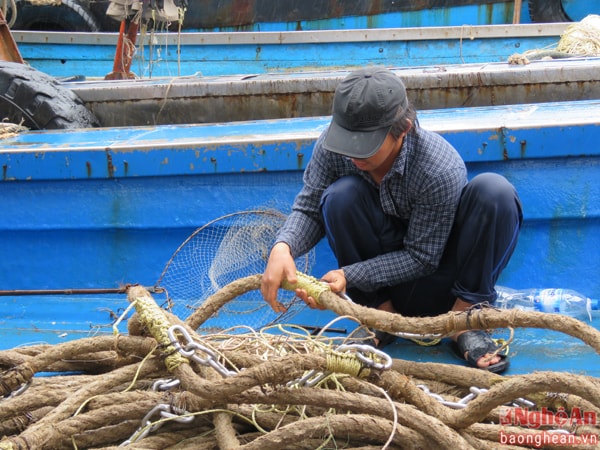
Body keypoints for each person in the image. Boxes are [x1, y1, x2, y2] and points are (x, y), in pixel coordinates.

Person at [260, 66, 522, 373]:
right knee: (339, 196)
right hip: (380, 292)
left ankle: (466, 322)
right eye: (347, 138)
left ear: (404, 128)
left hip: (441, 282)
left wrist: (349, 275)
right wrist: (283, 246)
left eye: (365, 142)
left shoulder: (438, 168)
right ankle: (377, 320)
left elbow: (422, 258)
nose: (353, 153)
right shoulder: (333, 148)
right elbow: (309, 208)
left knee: (495, 192)